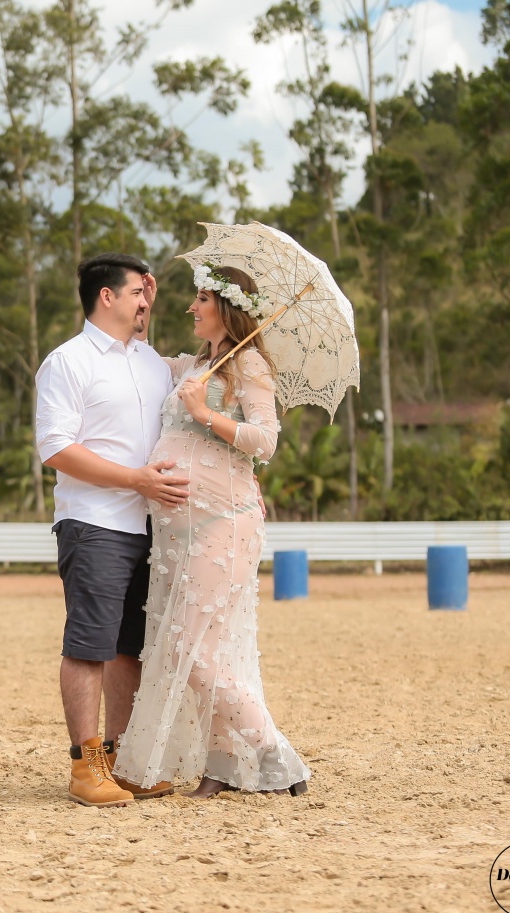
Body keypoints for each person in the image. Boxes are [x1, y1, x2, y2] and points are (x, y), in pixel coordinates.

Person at [112, 264, 311, 798]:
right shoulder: (193, 363)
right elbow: (139, 356)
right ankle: (223, 766)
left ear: (225, 306)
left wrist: (205, 414)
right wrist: (142, 306)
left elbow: (264, 441)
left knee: (191, 651)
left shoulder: (247, 363)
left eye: (200, 298)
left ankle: (273, 752)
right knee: (204, 650)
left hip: (224, 522)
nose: (191, 307)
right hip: (177, 532)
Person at [34, 253, 189, 808]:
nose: (146, 301)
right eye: (137, 293)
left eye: (150, 293)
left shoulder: (151, 362)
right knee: (89, 646)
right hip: (94, 523)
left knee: (130, 649)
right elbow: (55, 447)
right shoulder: (68, 362)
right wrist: (133, 480)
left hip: (151, 526)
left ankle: (124, 761)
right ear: (107, 297)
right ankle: (85, 766)